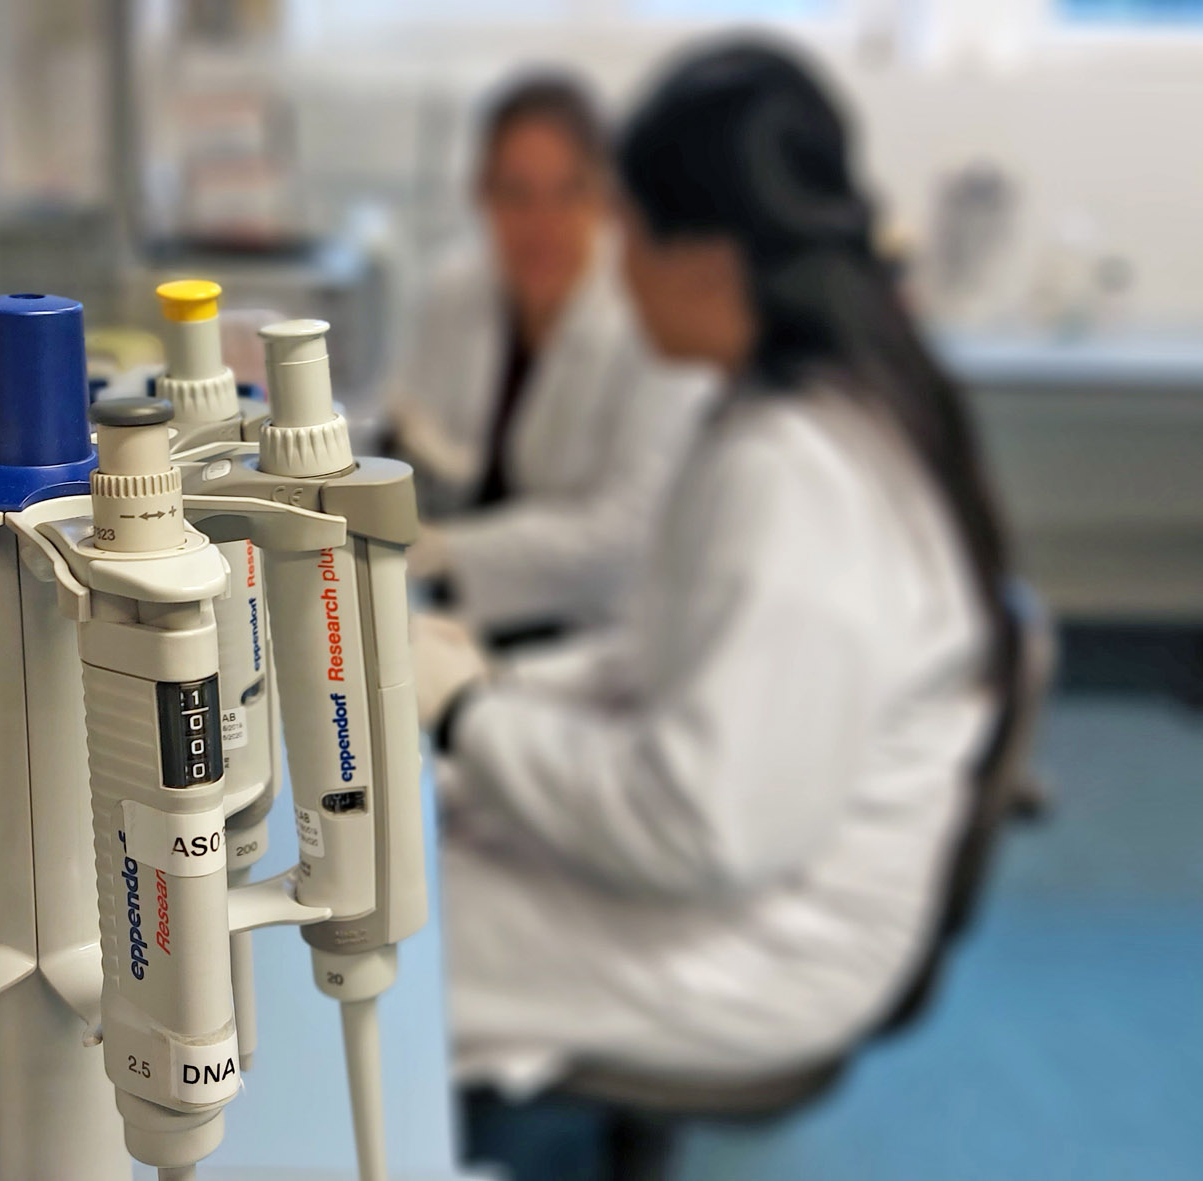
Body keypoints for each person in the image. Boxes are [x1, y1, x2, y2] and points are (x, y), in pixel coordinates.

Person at [416, 39, 1016, 1177]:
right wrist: (481, 687)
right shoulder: (792, 409)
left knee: (364, 933)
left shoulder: (795, 475)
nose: (614, 262)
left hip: (764, 935)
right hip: (753, 860)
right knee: (418, 859)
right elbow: (656, 654)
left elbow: (694, 824)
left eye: (628, 229)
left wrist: (469, 718)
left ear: (705, 260)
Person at [389, 73, 711, 641]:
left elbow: (625, 535)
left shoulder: (648, 322)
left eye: (570, 192)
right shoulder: (455, 291)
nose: (542, 224)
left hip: (588, 630)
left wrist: (450, 550)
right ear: (481, 194)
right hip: (451, 610)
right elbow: (405, 433)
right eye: (516, 193)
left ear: (607, 200)